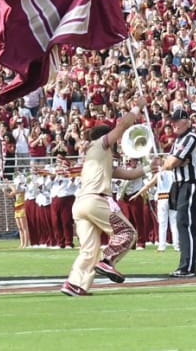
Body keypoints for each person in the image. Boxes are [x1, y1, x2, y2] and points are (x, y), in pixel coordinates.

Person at [61, 96, 147, 297]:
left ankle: (75, 284)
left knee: (89, 249)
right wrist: (137, 107)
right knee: (127, 232)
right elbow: (122, 125)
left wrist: (151, 167)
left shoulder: (96, 157)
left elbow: (127, 174)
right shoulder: (101, 144)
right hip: (95, 200)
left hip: (80, 204)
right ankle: (107, 261)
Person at [162, 109, 196, 278]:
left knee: (185, 223)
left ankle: (187, 266)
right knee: (192, 224)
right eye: (172, 121)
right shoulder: (178, 141)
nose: (173, 124)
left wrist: (176, 162)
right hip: (181, 184)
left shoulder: (190, 138)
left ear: (186, 121)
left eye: (177, 121)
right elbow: (167, 162)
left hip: (190, 183)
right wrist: (176, 162)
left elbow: (171, 163)